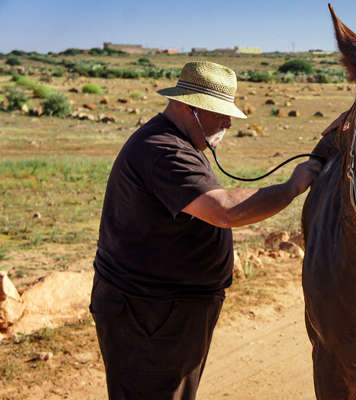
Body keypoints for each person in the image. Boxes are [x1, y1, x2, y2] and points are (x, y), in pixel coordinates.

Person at [90, 61, 322, 400]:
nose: (228, 123)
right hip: (149, 314)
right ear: (188, 106)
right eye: (219, 114)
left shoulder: (179, 141)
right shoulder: (162, 149)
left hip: (164, 312)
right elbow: (224, 210)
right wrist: (292, 187)